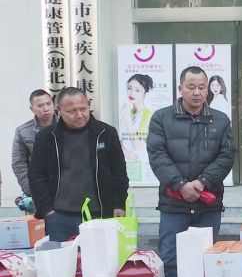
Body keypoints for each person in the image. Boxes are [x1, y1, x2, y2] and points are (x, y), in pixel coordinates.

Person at [147, 66, 235, 277]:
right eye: (191, 87)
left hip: (208, 204)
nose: (197, 92)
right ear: (180, 88)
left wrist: (202, 182)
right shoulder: (161, 118)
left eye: (202, 87)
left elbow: (226, 156)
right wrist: (180, 184)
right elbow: (157, 155)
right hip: (174, 204)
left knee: (206, 260)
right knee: (171, 259)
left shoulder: (220, 120)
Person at [29, 87, 129, 241]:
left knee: (100, 256)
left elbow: (119, 172)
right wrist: (47, 210)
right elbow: (36, 175)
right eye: (72, 111)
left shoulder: (105, 133)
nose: (79, 115)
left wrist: (119, 204)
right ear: (59, 111)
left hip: (100, 215)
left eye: (83, 109)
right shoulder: (47, 137)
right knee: (60, 256)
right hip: (59, 217)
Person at [12, 89, 56, 197]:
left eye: (48, 104)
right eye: (40, 106)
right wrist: (31, 190)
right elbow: (19, 164)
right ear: (32, 109)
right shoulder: (22, 131)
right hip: (39, 189)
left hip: (68, 188)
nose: (46, 109)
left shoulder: (66, 126)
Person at [119, 74, 154, 160]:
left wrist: (127, 118)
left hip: (141, 162)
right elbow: (120, 138)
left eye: (137, 90)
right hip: (124, 161)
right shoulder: (127, 111)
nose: (132, 93)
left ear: (145, 94)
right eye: (129, 88)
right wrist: (125, 153)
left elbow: (137, 145)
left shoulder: (148, 115)